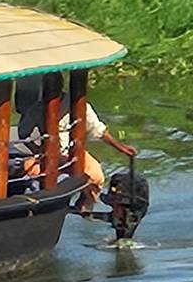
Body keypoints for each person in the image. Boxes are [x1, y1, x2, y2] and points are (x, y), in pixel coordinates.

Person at [17, 73, 137, 211]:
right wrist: (37, 149)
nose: (49, 89)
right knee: (27, 170)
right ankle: (37, 207)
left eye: (53, 85)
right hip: (47, 156)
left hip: (72, 154)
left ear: (61, 85)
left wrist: (121, 148)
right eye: (47, 86)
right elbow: (24, 133)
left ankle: (85, 205)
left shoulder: (77, 105)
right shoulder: (37, 108)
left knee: (96, 175)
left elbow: (98, 130)